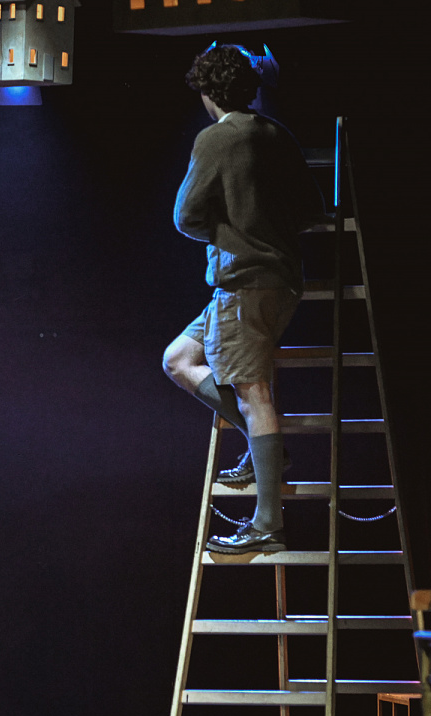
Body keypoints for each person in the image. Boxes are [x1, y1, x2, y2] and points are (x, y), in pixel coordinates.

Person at [162, 46, 326, 555]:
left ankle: (267, 524)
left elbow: (186, 217)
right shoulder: (277, 134)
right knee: (179, 358)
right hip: (280, 281)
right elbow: (312, 209)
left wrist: (233, 229)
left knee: (255, 395)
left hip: (244, 284)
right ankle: (266, 453)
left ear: (208, 92)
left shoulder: (215, 137)